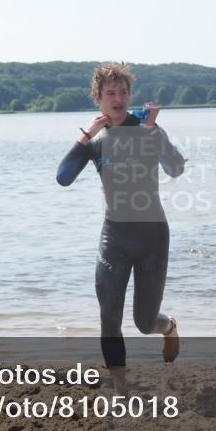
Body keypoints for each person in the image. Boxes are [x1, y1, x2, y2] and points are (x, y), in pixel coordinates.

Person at [56, 62, 186, 393]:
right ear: (98, 98)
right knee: (109, 314)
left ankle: (168, 326)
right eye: (110, 93)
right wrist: (84, 136)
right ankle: (121, 388)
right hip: (114, 236)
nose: (118, 99)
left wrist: (154, 133)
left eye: (123, 92)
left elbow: (176, 168)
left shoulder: (147, 127)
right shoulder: (95, 140)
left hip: (152, 236)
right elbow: (63, 178)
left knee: (145, 323)